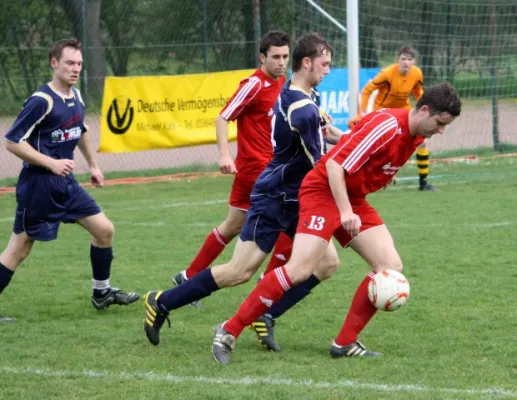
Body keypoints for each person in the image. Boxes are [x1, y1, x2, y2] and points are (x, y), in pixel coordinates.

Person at [212, 82, 462, 364]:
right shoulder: (388, 125)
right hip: (323, 191)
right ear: (425, 110)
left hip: (351, 197)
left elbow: (355, 146)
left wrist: (377, 177)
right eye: (440, 123)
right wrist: (345, 212)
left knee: (390, 267)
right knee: (300, 269)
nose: (441, 130)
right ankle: (228, 330)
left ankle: (344, 343)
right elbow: (334, 165)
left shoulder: (414, 134)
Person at [143, 33, 344, 350]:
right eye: (325, 64)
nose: (329, 70)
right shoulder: (298, 105)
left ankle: (264, 315)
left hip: (293, 196)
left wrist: (356, 141)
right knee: (239, 271)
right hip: (276, 196)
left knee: (326, 262)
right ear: (307, 63)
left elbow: (325, 132)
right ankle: (162, 300)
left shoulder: (298, 94)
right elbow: (321, 162)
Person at [0, 39, 140, 322]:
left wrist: (94, 166)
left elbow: (82, 130)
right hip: (38, 186)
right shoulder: (42, 100)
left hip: (67, 184)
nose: (75, 69)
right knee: (19, 248)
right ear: (54, 63)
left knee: (104, 230)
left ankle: (101, 294)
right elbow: (12, 141)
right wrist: (51, 162)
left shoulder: (75, 96)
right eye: (69, 63)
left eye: (79, 64)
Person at [171, 30, 294, 308]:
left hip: (264, 169)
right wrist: (225, 154)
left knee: (232, 226)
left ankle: (188, 277)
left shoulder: (281, 82)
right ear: (262, 57)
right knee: (291, 217)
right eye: (275, 57)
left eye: (285, 56)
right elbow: (223, 117)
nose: (281, 62)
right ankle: (271, 286)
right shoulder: (253, 85)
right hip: (257, 170)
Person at [349, 46, 435, 191]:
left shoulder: (417, 74)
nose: (406, 62)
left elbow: (418, 93)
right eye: (403, 59)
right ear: (397, 60)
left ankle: (423, 183)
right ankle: (372, 178)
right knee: (383, 148)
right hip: (384, 112)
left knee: (421, 143)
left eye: (409, 59)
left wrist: (426, 111)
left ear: (414, 61)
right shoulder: (387, 74)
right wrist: (362, 112)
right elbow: (368, 90)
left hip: (404, 112)